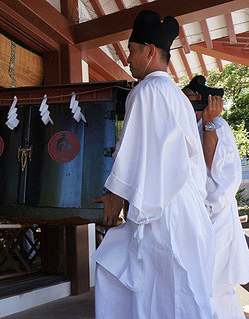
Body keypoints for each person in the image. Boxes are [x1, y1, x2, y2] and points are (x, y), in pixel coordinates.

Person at [92, 10, 215, 318]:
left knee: (161, 291)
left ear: (149, 51)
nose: (127, 60)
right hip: (186, 208)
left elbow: (132, 151)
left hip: (164, 211)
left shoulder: (145, 92)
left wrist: (115, 196)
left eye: (132, 51)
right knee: (182, 291)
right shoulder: (177, 96)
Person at [183, 76, 249, 319]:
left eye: (187, 96)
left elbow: (216, 169)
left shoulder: (218, 125)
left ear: (199, 100)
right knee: (201, 288)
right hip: (196, 218)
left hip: (216, 218)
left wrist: (209, 121)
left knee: (216, 288)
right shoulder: (185, 127)